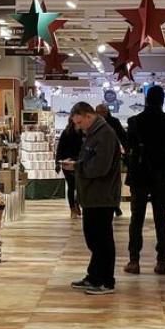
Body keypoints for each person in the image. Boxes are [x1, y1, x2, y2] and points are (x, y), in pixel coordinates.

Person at [61, 101, 120, 295]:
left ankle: (106, 281)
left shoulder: (105, 135)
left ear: (88, 115)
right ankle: (94, 276)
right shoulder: (94, 134)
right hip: (93, 195)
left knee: (101, 239)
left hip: (102, 195)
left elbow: (100, 167)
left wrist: (77, 167)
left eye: (79, 122)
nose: (78, 127)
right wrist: (77, 164)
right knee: (94, 238)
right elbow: (91, 161)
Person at [124, 86, 165, 274]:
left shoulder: (134, 121)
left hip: (139, 175)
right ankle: (161, 260)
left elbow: (129, 147)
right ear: (163, 101)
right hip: (160, 175)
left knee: (136, 218)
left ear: (146, 99)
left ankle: (134, 261)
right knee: (160, 218)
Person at [55, 117, 84, 217]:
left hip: (79, 162)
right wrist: (57, 162)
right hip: (67, 162)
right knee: (71, 186)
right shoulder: (66, 133)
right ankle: (72, 208)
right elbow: (60, 148)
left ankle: (77, 203)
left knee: (80, 186)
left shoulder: (83, 132)